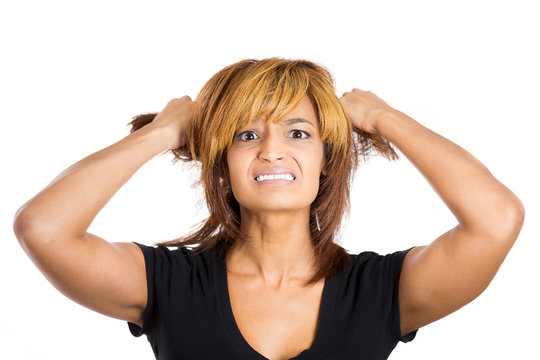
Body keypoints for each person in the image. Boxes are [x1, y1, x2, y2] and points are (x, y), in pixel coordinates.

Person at [13, 57, 525, 360]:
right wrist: (162, 132)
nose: (272, 150)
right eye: (246, 134)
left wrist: (384, 117)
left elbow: (497, 218)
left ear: (327, 159)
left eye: (299, 133)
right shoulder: (164, 283)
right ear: (221, 161)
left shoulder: (382, 290)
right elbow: (43, 227)